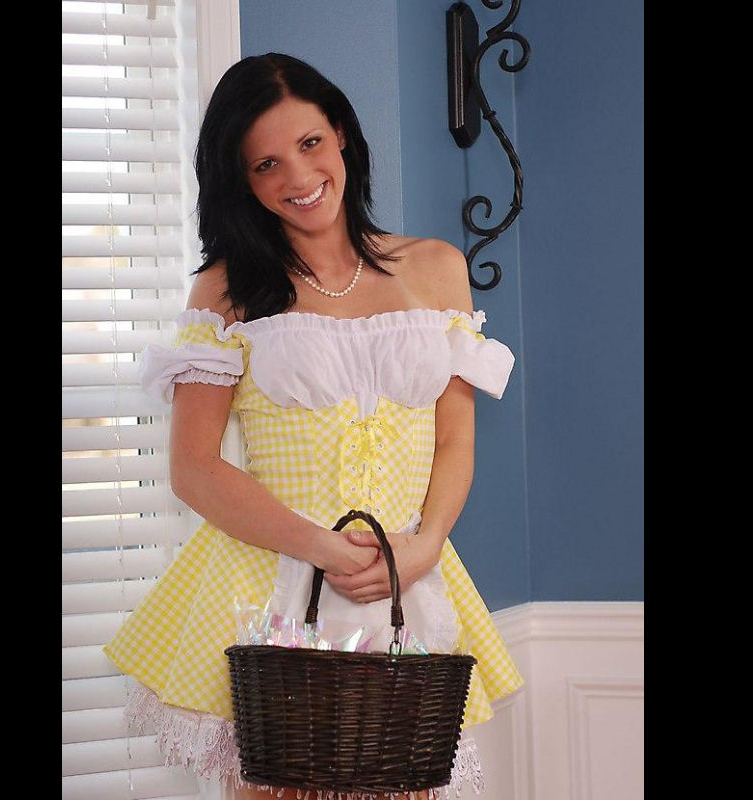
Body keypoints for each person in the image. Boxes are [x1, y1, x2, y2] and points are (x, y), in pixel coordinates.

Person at [103, 52, 524, 800]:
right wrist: (327, 550)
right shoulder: (226, 289)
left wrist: (424, 544)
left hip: (405, 581)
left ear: (342, 137)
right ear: (242, 181)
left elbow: (454, 438)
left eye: (310, 144)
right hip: (269, 584)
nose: (298, 178)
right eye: (266, 164)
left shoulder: (436, 267)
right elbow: (195, 468)